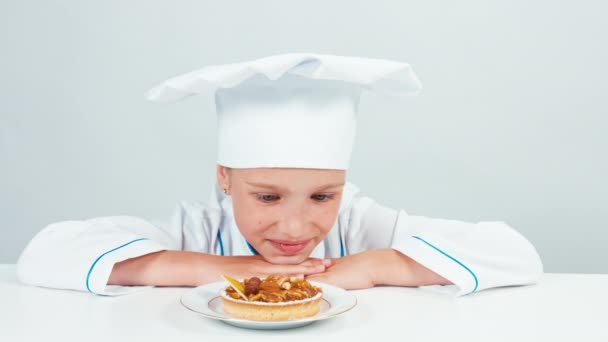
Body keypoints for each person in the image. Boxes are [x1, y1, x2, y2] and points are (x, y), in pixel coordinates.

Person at [16, 53, 543, 296]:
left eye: (321, 196)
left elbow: (515, 254)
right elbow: (45, 253)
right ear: (225, 178)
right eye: (267, 197)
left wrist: (378, 265)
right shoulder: (197, 229)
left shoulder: (359, 226)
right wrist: (214, 268)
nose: (295, 229)